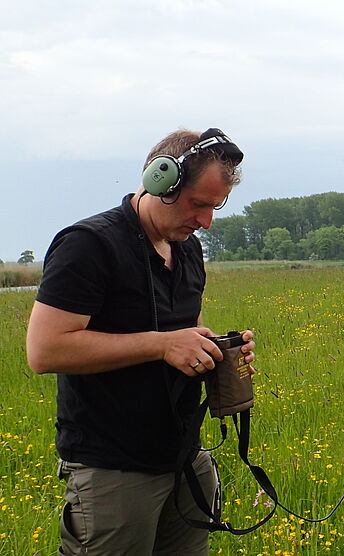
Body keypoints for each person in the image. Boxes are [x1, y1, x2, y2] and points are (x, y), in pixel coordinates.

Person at [26, 128, 256, 555]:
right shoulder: (89, 245)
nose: (205, 220)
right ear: (160, 181)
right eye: (198, 204)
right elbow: (45, 350)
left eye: (215, 207)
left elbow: (187, 327)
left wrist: (218, 352)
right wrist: (162, 345)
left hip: (186, 458)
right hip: (113, 469)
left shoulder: (187, 248)